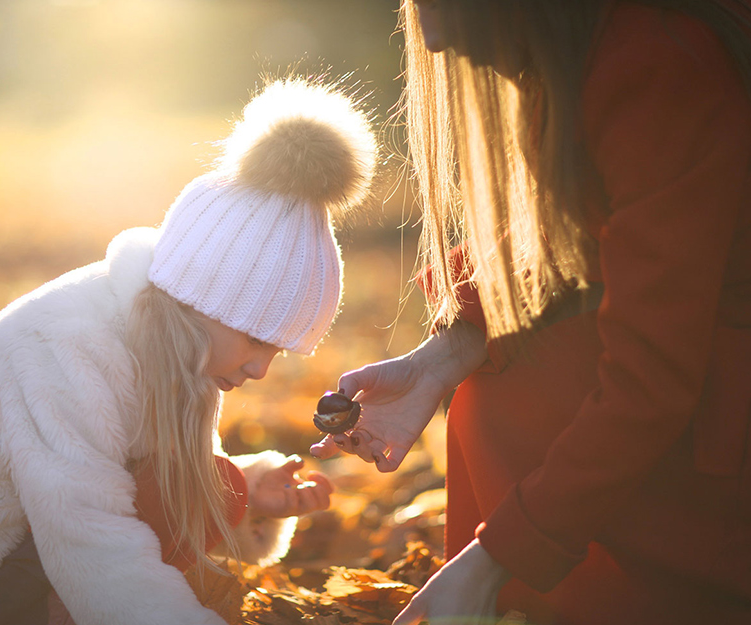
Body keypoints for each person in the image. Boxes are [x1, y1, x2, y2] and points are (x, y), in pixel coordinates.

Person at [0, 78, 378, 625]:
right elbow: (88, 533)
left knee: (218, 483)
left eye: (277, 350)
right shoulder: (68, 348)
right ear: (202, 296)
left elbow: (159, 476)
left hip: (41, 523)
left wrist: (249, 493)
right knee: (117, 550)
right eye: (257, 339)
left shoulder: (184, 344)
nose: (260, 369)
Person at [311, 0, 751, 623]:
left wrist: (497, 558)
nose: (429, 37)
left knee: (513, 392)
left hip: (727, 471)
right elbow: (577, 233)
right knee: (500, 373)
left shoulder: (659, 68)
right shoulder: (608, 52)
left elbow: (651, 377)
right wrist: (440, 359)